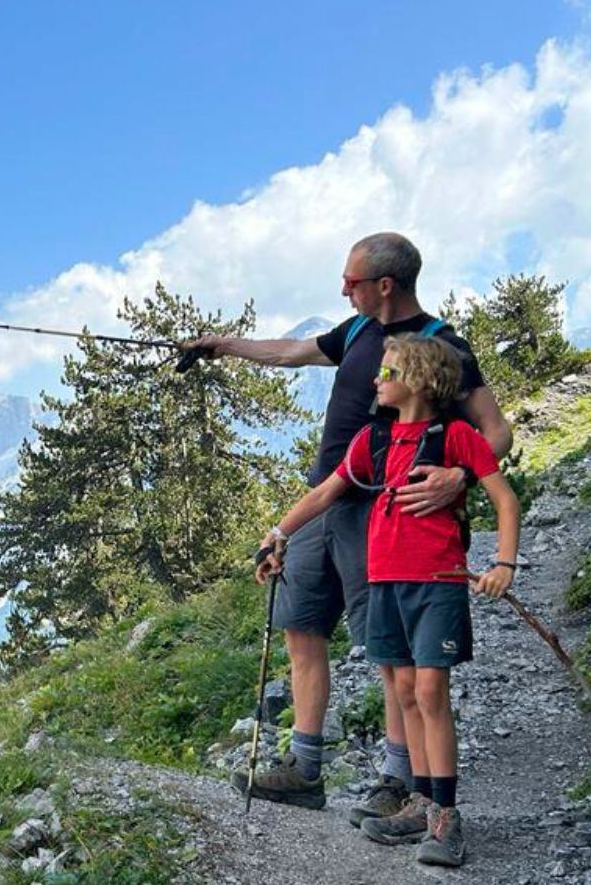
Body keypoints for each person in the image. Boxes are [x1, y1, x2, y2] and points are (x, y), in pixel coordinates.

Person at [184, 232, 512, 820]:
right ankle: (304, 769)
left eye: (352, 281)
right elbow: (289, 353)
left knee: (391, 651)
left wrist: (457, 475)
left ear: (385, 285)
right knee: (301, 625)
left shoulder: (441, 347)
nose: (343, 289)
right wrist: (222, 346)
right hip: (328, 495)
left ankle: (396, 777)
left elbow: (497, 431)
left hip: (389, 514)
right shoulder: (356, 331)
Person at [255, 333, 520, 867]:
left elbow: (504, 500)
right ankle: (420, 800)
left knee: (428, 690)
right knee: (402, 689)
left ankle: (446, 814)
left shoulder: (457, 438)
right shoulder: (372, 441)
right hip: (384, 582)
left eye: (389, 372)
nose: (377, 381)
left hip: (437, 580)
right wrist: (277, 535)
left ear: (420, 381)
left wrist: (503, 565)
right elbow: (325, 493)